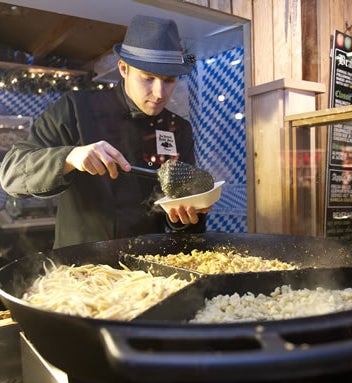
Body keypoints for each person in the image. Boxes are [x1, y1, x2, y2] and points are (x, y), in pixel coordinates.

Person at [0, 15, 210, 248]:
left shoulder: (178, 128)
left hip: (149, 269)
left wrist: (186, 218)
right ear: (123, 68)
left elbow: (184, 213)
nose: (160, 93)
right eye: (148, 78)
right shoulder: (76, 108)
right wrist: (69, 157)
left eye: (169, 80)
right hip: (82, 268)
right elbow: (11, 175)